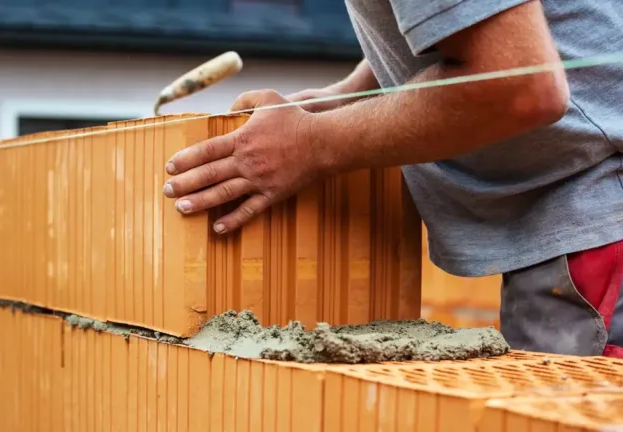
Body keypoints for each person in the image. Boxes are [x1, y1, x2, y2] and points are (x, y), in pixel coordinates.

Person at [160, 0, 623, 358]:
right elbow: (462, 19)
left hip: (600, 208)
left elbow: (522, 86)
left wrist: (314, 144)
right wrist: (347, 97)